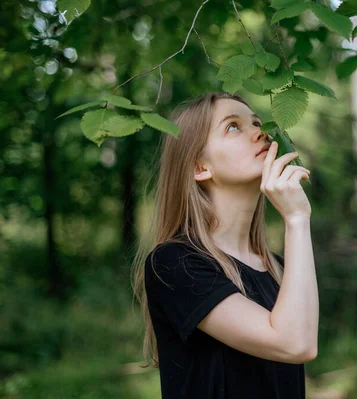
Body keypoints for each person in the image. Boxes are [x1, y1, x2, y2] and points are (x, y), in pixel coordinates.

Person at [130, 91, 318, 398]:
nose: (260, 132)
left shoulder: (279, 267)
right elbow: (295, 343)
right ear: (199, 167)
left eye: (257, 123)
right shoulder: (175, 263)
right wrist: (296, 218)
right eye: (233, 126)